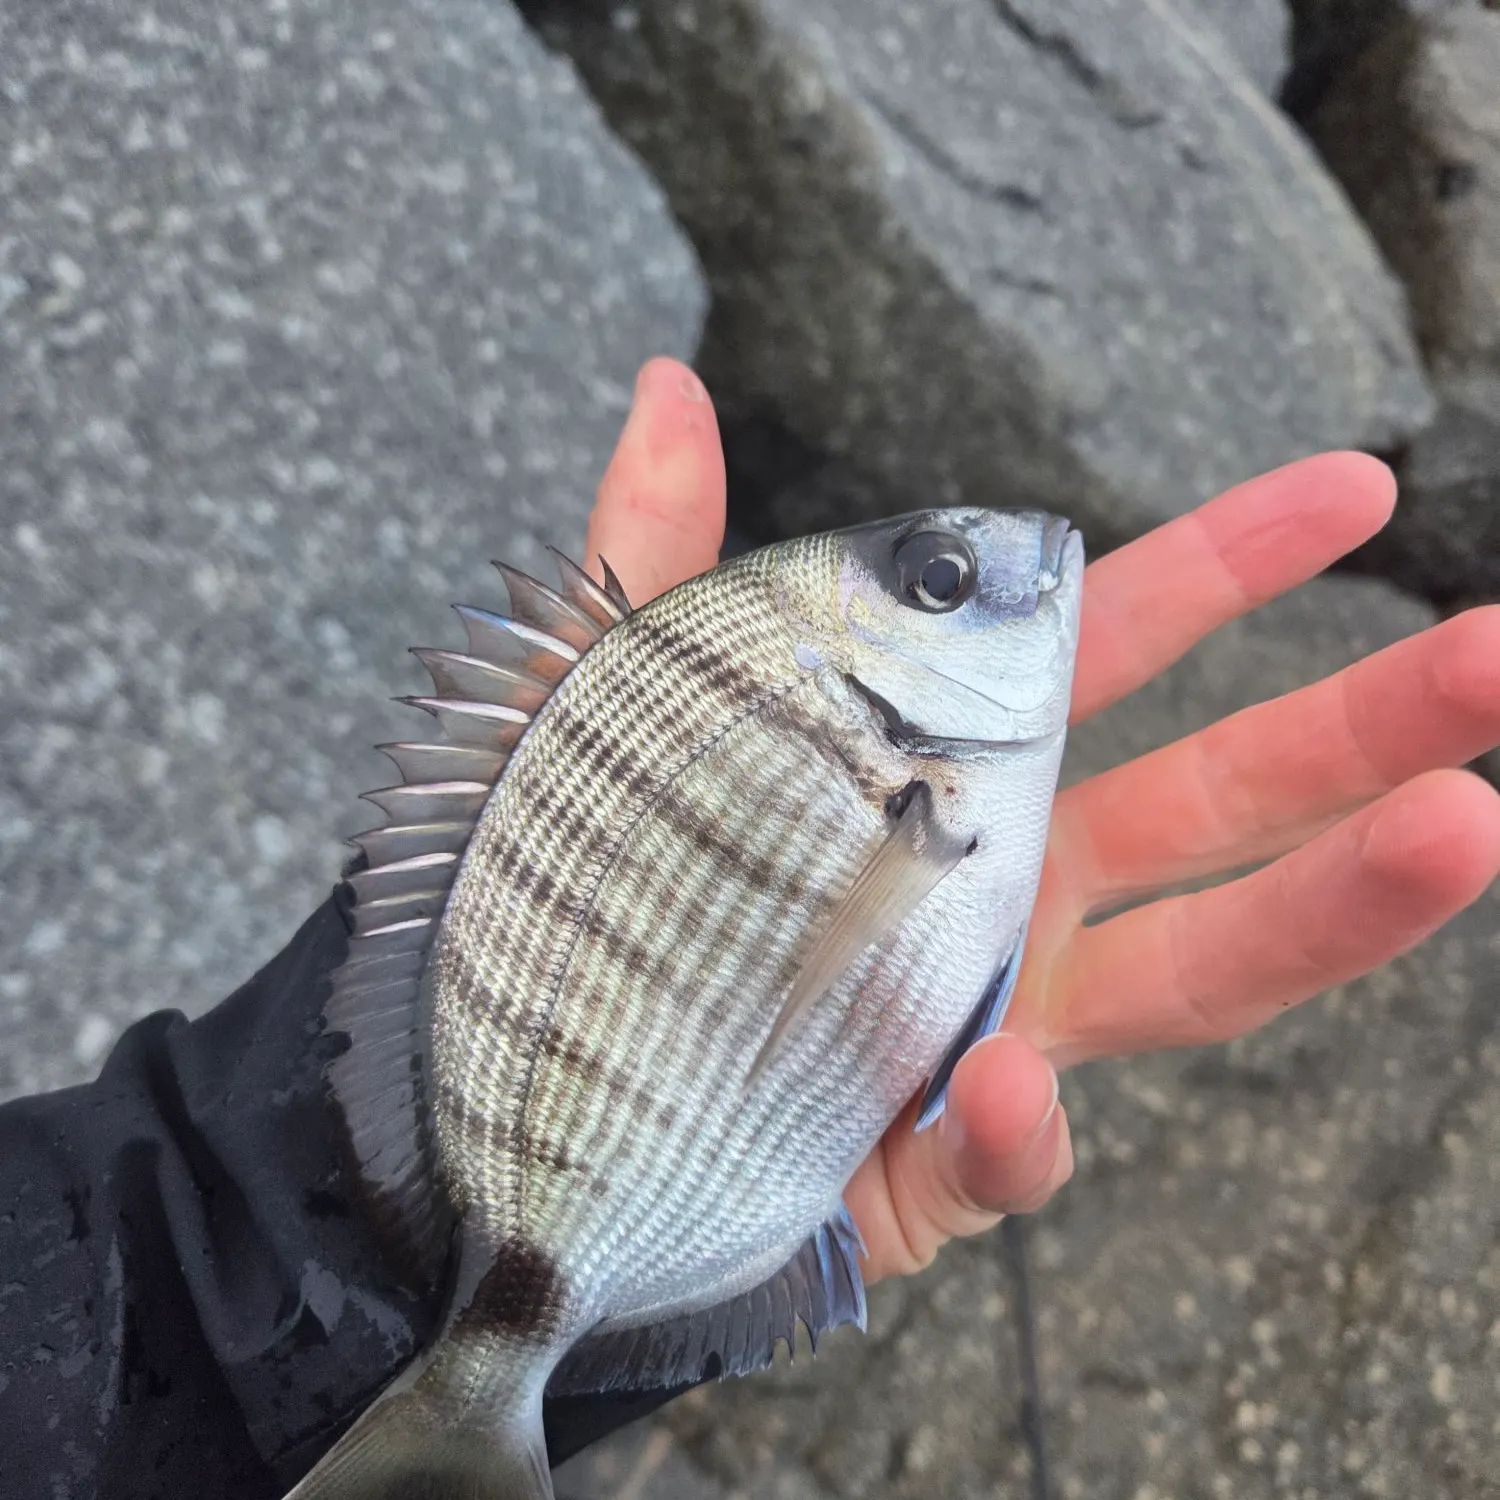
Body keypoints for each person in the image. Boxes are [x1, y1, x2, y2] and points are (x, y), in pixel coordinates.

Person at [4, 357, 1498, 1500]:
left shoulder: (918, 767)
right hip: (573, 1205)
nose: (1026, 558)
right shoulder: (911, 770)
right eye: (941, 581)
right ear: (883, 666)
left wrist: (250, 1222)